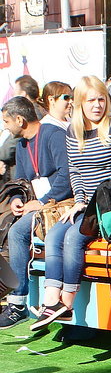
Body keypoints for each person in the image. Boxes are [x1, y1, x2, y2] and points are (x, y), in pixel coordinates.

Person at [30, 76, 111, 330]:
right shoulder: (72, 131)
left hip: (110, 207)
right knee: (54, 235)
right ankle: (52, 300)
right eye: (91, 100)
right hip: (85, 205)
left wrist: (95, 197)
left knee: (73, 238)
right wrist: (79, 200)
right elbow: (75, 172)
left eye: (101, 99)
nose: (97, 105)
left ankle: (67, 302)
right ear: (80, 104)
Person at [0, 96, 70, 328]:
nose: (5, 127)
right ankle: (17, 300)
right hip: (39, 205)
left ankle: (18, 302)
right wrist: (18, 199)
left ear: (20, 120)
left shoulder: (53, 135)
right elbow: (21, 181)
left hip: (60, 203)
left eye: (6, 122)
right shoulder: (21, 144)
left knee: (18, 231)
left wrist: (42, 201)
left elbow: (67, 175)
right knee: (11, 226)